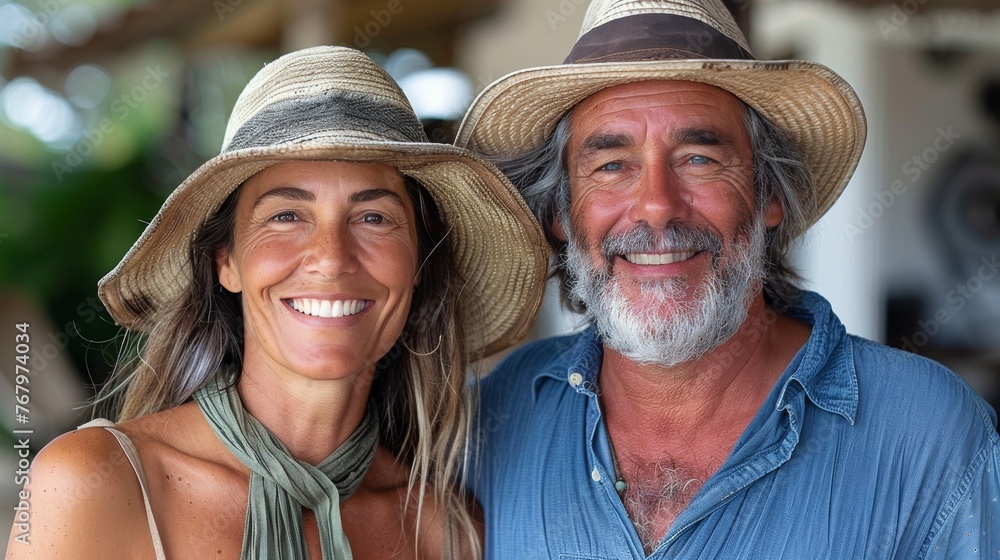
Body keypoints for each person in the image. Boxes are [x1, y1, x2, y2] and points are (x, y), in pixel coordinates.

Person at [455, 0, 1000, 557]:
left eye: (698, 159)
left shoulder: (928, 432)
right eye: (611, 165)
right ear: (561, 215)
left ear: (769, 195)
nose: (656, 208)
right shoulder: (499, 414)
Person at [7, 46, 547, 559]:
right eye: (286, 215)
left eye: (374, 217)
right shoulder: (99, 485)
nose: (331, 258)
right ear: (227, 261)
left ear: (417, 267)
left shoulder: (447, 532)